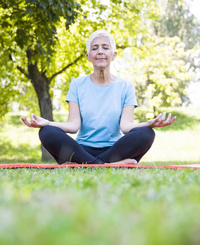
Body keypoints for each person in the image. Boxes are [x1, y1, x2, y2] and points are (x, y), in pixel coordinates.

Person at [21, 29, 176, 165]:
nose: (100, 51)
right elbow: (74, 125)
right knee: (46, 132)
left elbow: (126, 127)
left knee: (147, 133)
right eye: (95, 48)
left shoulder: (125, 86)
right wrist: (47, 123)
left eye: (105, 47)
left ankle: (85, 164)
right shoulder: (77, 84)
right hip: (81, 150)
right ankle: (109, 164)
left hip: (115, 150)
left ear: (113, 55)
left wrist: (148, 123)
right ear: (89, 56)